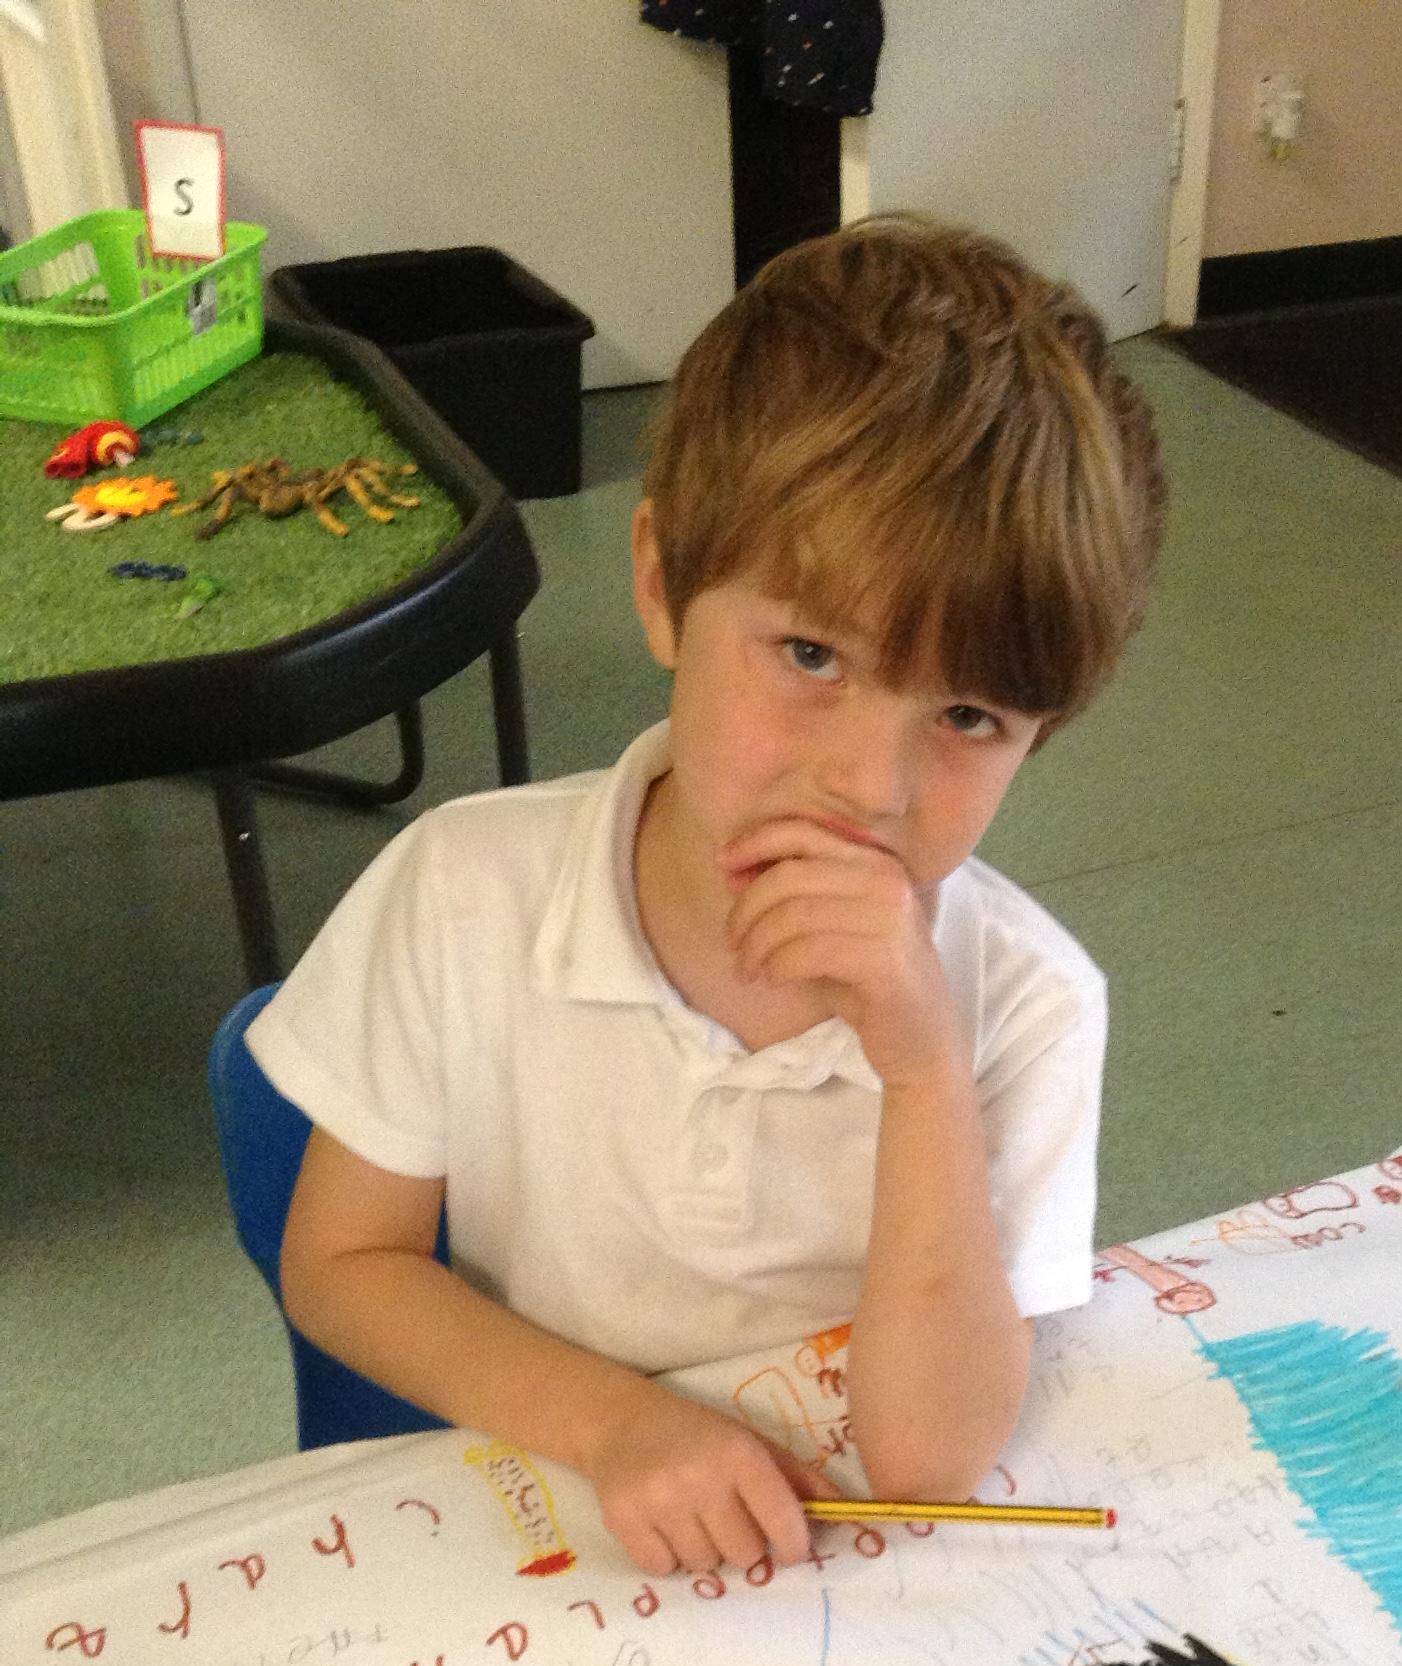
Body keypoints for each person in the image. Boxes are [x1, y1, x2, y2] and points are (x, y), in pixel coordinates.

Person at [253, 215, 1166, 1579]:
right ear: (662, 587)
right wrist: (617, 1424)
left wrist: (923, 1067)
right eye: (811, 653)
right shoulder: (463, 892)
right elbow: (342, 1264)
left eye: (970, 716)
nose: (869, 784)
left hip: (837, 1569)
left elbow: (927, 1463)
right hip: (563, 1495)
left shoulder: (1026, 1005)